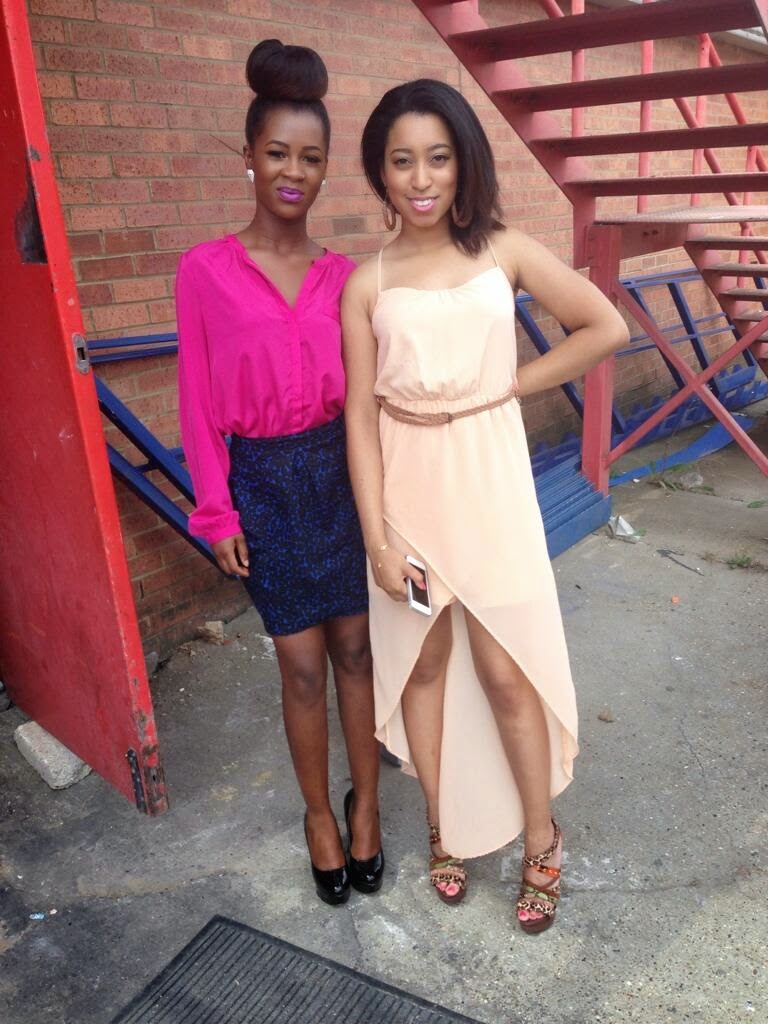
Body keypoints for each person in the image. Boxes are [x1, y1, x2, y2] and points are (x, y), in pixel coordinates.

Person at [342, 79, 628, 933]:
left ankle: (542, 836)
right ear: (380, 172)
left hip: (491, 488)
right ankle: (442, 825)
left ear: (463, 163)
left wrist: (513, 383)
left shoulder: (504, 249)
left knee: (507, 670)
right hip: (407, 497)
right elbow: (358, 418)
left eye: (438, 157)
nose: (421, 178)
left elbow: (605, 327)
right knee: (424, 665)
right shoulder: (366, 283)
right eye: (401, 161)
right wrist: (378, 543)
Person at [175, 39, 384, 906]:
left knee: (356, 650)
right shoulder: (205, 271)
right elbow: (195, 402)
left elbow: (372, 400)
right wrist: (216, 512)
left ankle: (367, 806)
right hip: (262, 483)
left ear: (327, 167)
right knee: (300, 663)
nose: (293, 172)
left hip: (339, 476)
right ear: (249, 157)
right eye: (277, 153)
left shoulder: (348, 279)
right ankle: (319, 817)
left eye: (311, 157)